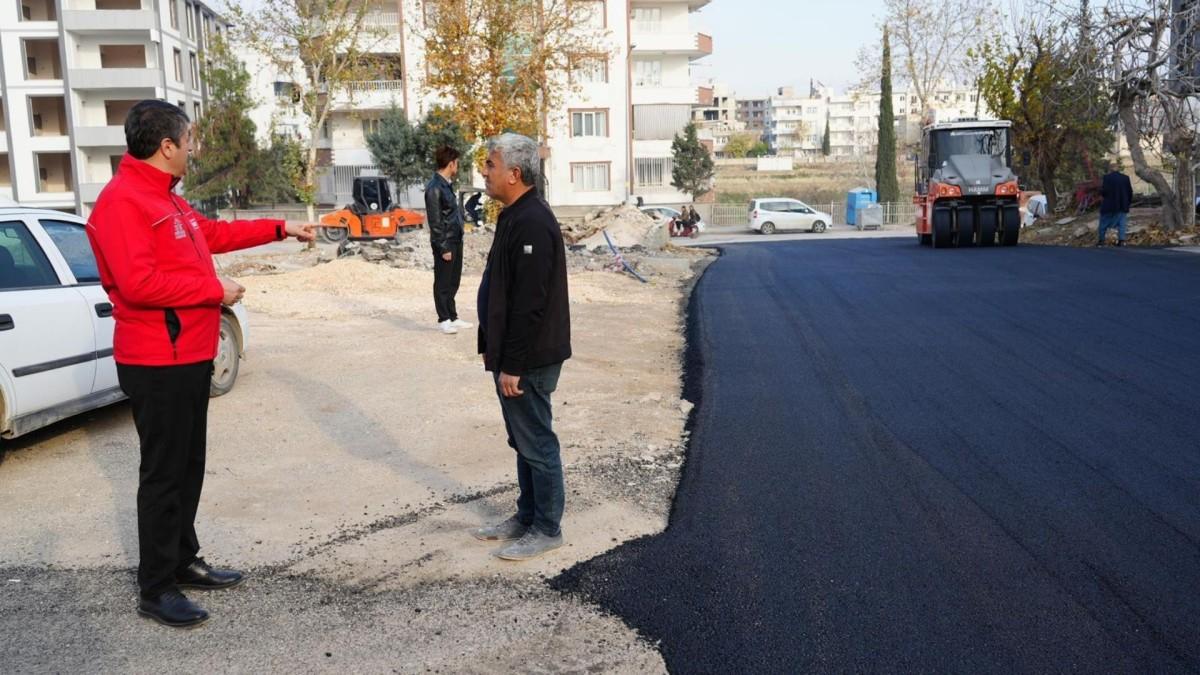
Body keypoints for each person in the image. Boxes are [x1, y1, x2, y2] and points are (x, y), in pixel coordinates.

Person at [86, 100, 314, 628]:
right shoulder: (124, 202)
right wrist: (215, 289)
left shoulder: (168, 200)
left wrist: (281, 230)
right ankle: (156, 586)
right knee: (163, 474)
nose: (193, 149)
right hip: (155, 360)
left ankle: (182, 559)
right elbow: (139, 285)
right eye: (189, 140)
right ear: (167, 146)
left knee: (188, 466)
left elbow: (212, 235)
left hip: (187, 354)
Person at [471, 133, 572, 561]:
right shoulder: (513, 215)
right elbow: (501, 291)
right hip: (512, 357)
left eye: (491, 165)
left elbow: (530, 303)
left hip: (528, 359)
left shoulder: (532, 221)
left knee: (537, 441)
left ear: (514, 173)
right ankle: (527, 516)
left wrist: (511, 363)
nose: (484, 172)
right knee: (522, 439)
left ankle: (547, 528)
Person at [425, 146, 471, 334]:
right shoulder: (434, 187)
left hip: (455, 238)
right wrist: (443, 247)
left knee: (454, 280)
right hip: (445, 242)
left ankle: (453, 316)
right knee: (443, 281)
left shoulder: (446, 184)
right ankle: (443, 319)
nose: (457, 166)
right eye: (456, 163)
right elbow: (435, 222)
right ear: (450, 163)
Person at [1098, 165, 1133, 246]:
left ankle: (1101, 240)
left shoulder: (1106, 178)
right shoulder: (1125, 178)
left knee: (1103, 223)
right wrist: (1128, 203)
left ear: (1110, 169)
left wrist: (1101, 193)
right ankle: (1121, 240)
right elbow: (1130, 191)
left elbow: (1104, 191)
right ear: (1118, 169)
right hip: (1122, 205)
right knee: (1122, 223)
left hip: (1108, 205)